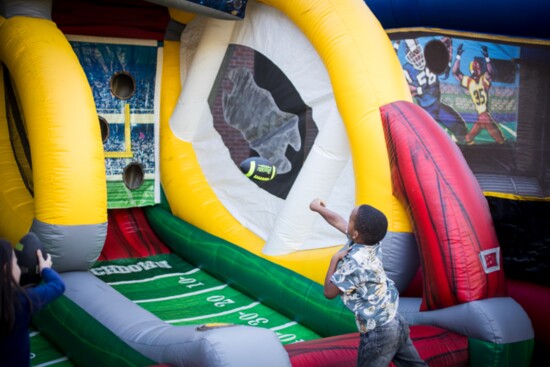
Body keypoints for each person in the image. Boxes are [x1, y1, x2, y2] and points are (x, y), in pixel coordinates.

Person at [310, 199, 427, 367]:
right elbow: (339, 221)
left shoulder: (354, 263)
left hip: (379, 332)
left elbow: (329, 293)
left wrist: (334, 260)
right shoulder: (372, 242)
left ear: (356, 233)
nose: (346, 222)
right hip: (395, 320)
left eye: (350, 220)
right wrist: (318, 208)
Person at [0, 236, 66, 367]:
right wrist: (45, 269)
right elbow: (58, 285)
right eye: (16, 261)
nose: (18, 266)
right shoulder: (23, 300)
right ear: (7, 269)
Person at [397, 37, 468, 143]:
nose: (416, 56)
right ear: (408, 57)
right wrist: (420, 89)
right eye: (413, 54)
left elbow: (440, 53)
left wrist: (447, 44)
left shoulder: (429, 57)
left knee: (461, 129)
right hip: (425, 111)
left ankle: (464, 149)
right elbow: (405, 88)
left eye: (417, 51)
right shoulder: (407, 69)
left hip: (438, 106)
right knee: (421, 141)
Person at [452, 43, 505, 144]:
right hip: (483, 117)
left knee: (500, 141)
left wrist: (458, 56)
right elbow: (490, 72)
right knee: (469, 139)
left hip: (484, 116)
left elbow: (455, 72)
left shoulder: (471, 81)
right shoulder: (478, 80)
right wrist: (486, 57)